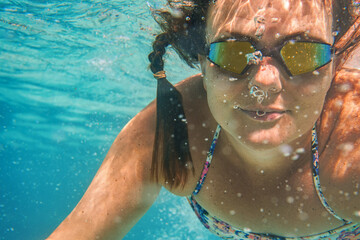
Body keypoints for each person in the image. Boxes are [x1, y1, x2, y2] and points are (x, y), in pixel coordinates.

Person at [47, 0, 360, 239]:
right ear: (203, 64)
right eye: (234, 53)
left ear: (337, 63)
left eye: (302, 54)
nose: (264, 81)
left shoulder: (353, 140)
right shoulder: (174, 125)